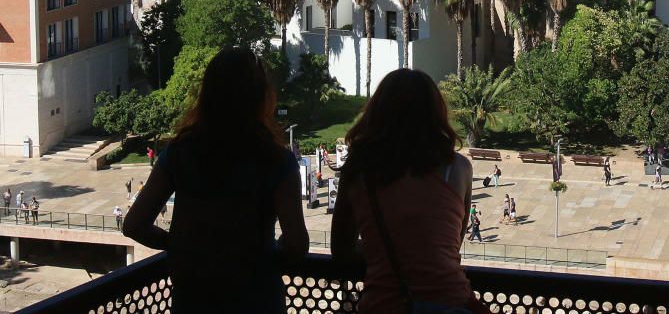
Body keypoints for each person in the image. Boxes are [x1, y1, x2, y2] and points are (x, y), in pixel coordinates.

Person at [123, 48, 309, 314]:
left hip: (194, 298)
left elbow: (134, 225)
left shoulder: (180, 152)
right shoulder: (277, 161)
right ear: (260, 97)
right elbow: (297, 245)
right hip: (256, 298)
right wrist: (263, 254)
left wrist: (180, 245)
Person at [329, 68, 488, 314]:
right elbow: (450, 244)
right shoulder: (458, 169)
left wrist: (380, 250)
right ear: (435, 113)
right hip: (449, 302)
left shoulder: (357, 170)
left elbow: (341, 250)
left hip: (384, 305)